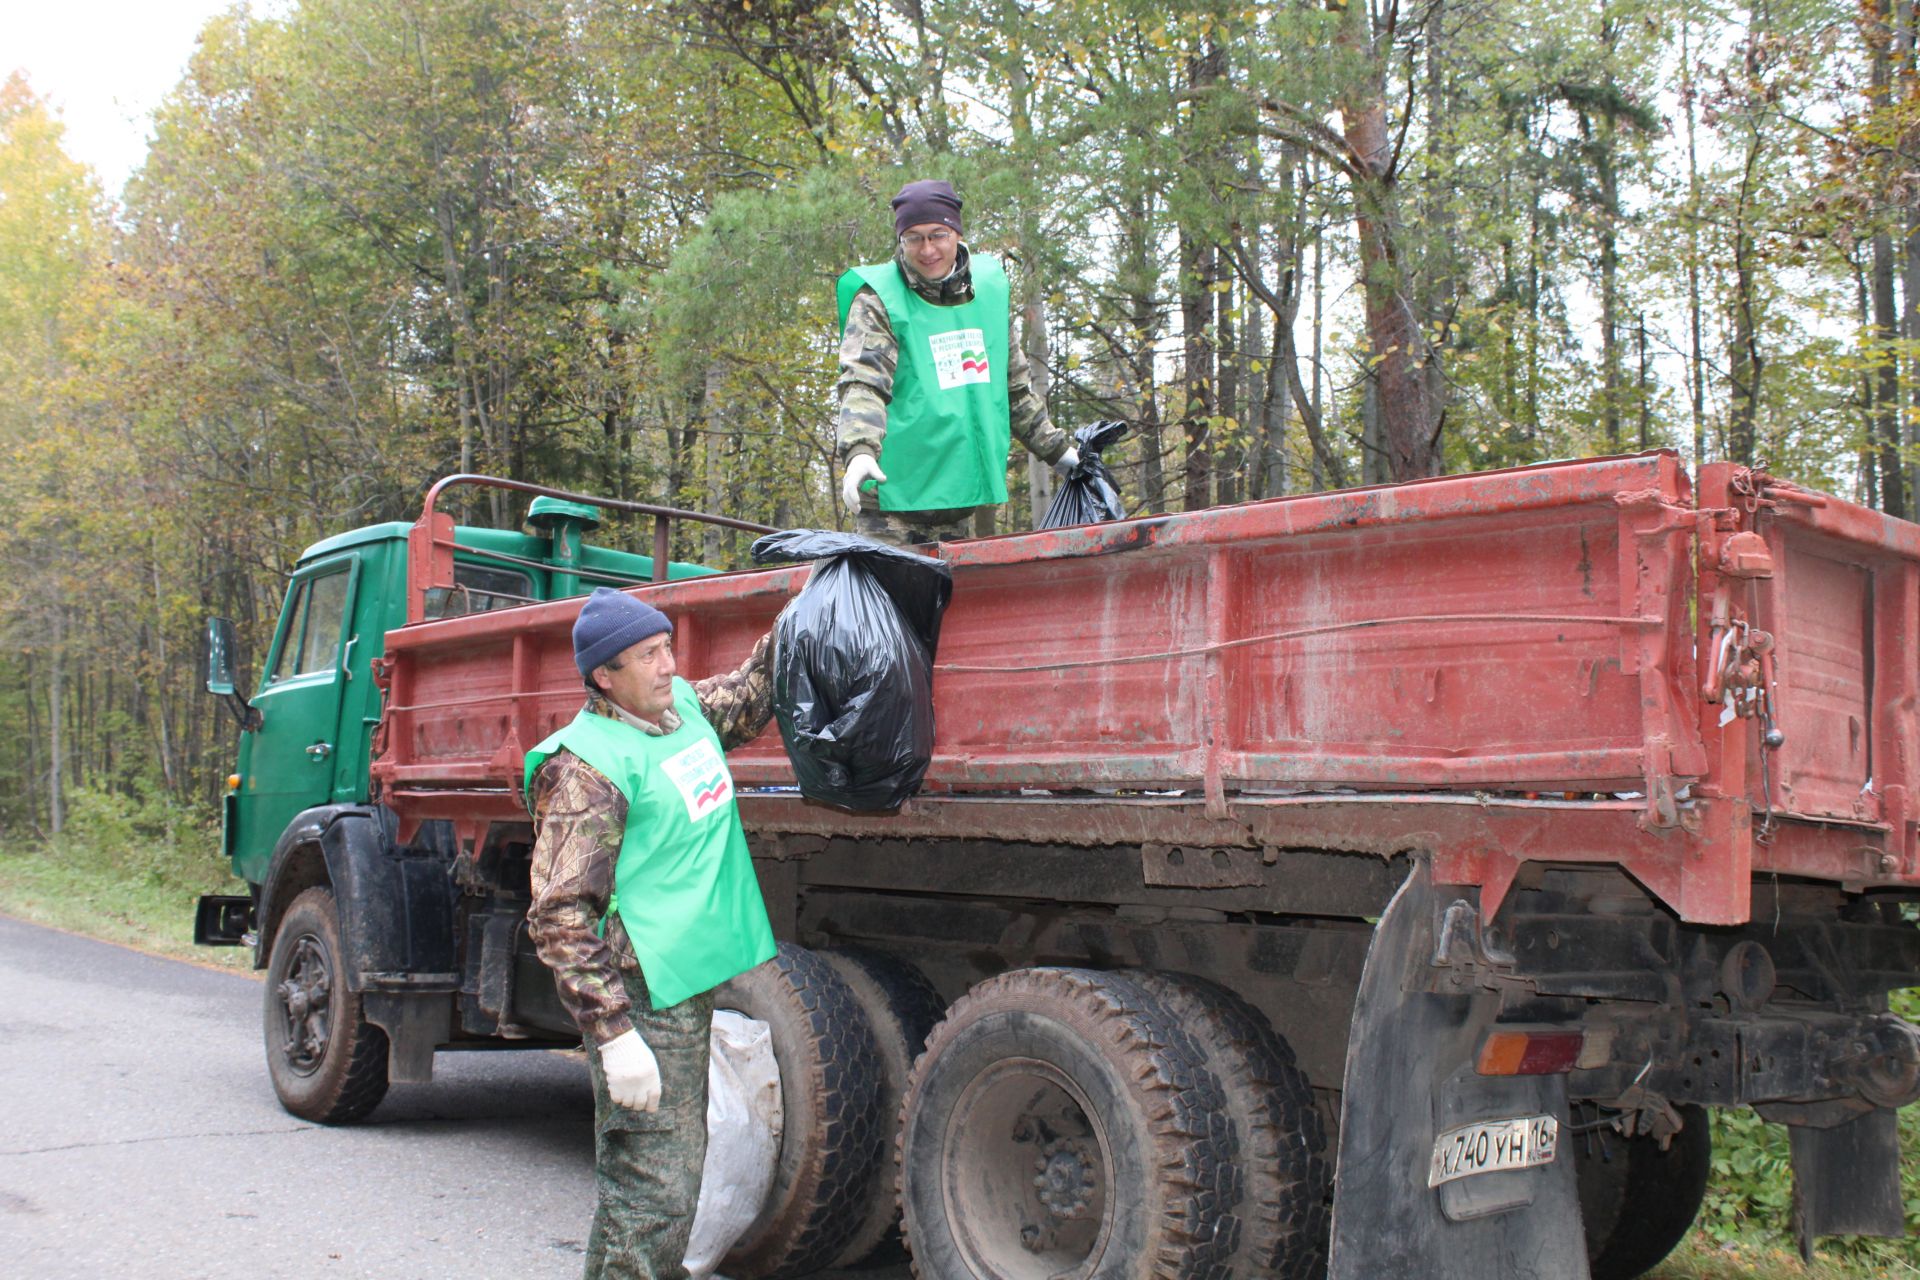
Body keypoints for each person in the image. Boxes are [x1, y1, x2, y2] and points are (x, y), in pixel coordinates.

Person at [524, 586, 778, 1280]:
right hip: (640, 996)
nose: (669, 665)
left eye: (668, 647)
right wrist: (612, 1033)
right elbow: (560, 913)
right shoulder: (589, 767)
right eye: (648, 655)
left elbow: (752, 691)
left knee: (645, 1188)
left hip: (682, 980)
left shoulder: (681, 711)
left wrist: (818, 603)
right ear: (605, 676)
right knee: (658, 1192)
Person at [835, 178, 1079, 546]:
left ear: (957, 234)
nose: (927, 249)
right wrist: (860, 451)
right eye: (913, 237)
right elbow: (863, 382)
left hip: (958, 502)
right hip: (892, 508)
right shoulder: (879, 299)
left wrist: (1060, 453)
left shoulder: (986, 295)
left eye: (938, 235)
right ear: (900, 241)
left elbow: (1012, 392)